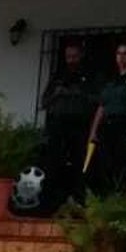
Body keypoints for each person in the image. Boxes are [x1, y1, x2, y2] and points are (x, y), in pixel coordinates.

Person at [40, 36, 95, 209]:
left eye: (74, 57)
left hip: (79, 126)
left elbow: (95, 100)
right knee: (54, 163)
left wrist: (77, 93)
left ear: (81, 56)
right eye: (68, 57)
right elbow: (44, 102)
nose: (71, 60)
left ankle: (78, 200)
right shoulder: (58, 76)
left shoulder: (88, 76)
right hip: (58, 126)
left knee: (79, 164)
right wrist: (58, 93)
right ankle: (51, 202)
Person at [88, 39, 126, 196]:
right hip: (107, 125)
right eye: (119, 54)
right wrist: (93, 131)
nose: (121, 57)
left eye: (125, 54)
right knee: (105, 162)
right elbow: (101, 106)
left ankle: (121, 195)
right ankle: (106, 196)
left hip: (124, 124)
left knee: (122, 161)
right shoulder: (111, 78)